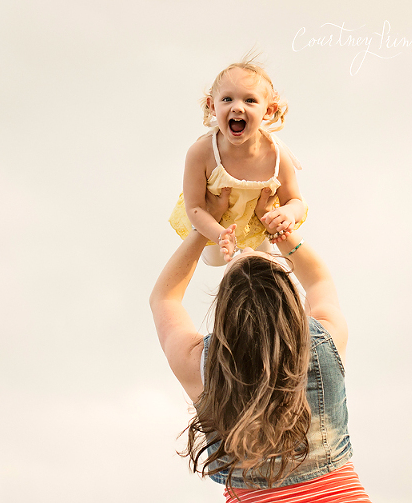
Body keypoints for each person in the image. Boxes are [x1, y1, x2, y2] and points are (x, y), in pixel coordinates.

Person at [151, 190, 372, 502]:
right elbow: (319, 280)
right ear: (290, 300)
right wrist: (280, 231)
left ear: (225, 309)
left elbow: (164, 298)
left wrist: (202, 228)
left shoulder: (199, 363)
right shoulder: (326, 340)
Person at [168, 56, 308, 266]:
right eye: (227, 99)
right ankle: (221, 245)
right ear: (212, 106)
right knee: (215, 261)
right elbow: (194, 207)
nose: (237, 107)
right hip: (214, 222)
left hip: (257, 224)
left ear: (268, 111)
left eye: (250, 100)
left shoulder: (277, 156)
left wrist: (288, 212)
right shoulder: (202, 153)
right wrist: (220, 235)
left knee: (261, 260)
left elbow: (296, 201)